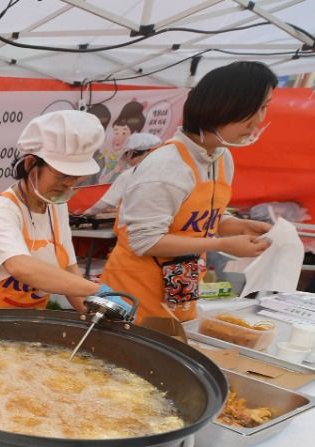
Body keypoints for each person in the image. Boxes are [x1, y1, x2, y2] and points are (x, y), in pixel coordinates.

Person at [101, 61, 276, 323]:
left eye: (265, 107)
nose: (260, 120)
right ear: (224, 106)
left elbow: (200, 219)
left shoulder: (220, 157)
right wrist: (222, 244)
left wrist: (236, 226)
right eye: (257, 108)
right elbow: (145, 241)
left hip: (180, 289)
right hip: (134, 296)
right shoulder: (166, 167)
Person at [0, 110, 129, 314]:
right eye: (62, 175)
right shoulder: (0, 211)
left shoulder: (56, 206)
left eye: (77, 178)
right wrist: (97, 290)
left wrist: (93, 312)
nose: (69, 185)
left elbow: (69, 269)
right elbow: (21, 267)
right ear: (31, 164)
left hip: (25, 327)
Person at [84, 132, 162, 216]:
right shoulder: (167, 170)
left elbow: (106, 203)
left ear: (132, 153)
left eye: (127, 154)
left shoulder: (132, 173)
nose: (126, 159)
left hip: (135, 224)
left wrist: (87, 213)